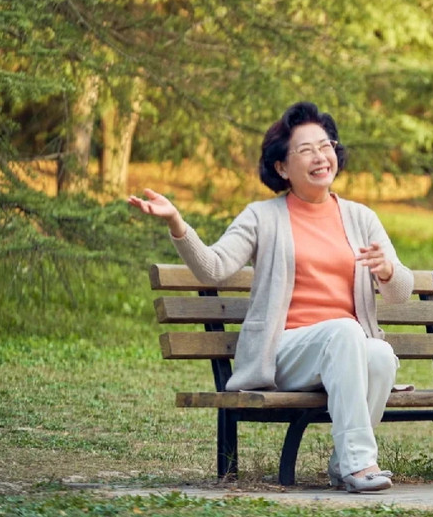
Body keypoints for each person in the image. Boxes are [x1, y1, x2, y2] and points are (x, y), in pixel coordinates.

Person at [128, 102, 413, 494]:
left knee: (379, 353)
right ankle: (361, 463)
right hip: (285, 350)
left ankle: (344, 464)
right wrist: (178, 223)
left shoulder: (360, 217)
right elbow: (213, 268)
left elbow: (400, 292)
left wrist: (386, 270)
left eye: (325, 145)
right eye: (305, 150)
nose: (320, 156)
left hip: (344, 348)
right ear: (282, 167)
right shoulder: (263, 216)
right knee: (348, 332)